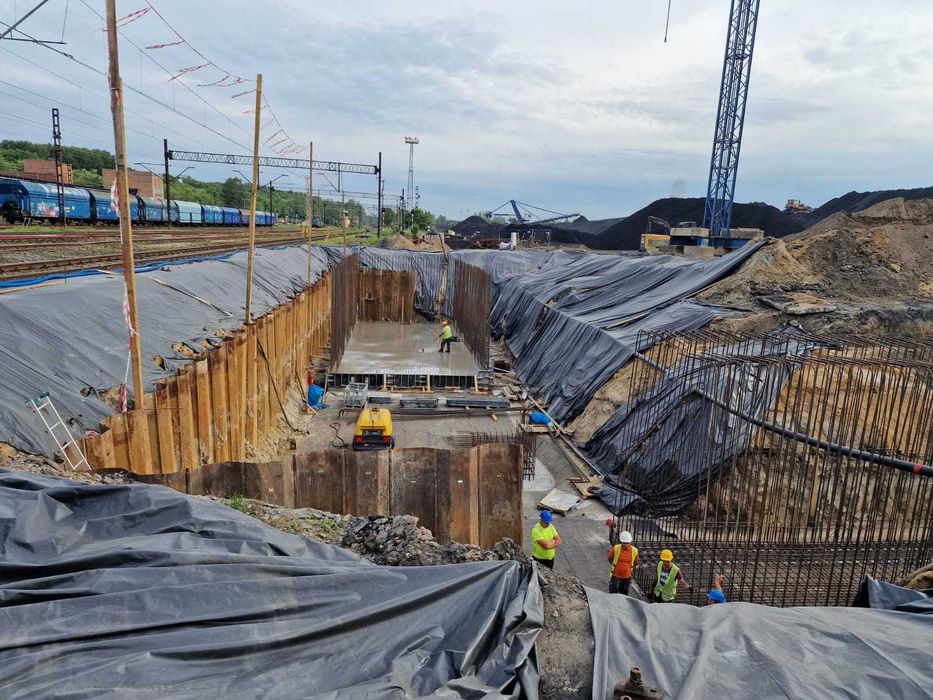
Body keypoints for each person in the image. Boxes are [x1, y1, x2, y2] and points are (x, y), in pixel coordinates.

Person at [608, 530, 639, 595]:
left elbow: (636, 562)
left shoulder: (634, 551)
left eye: (627, 543)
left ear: (630, 542)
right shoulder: (615, 548)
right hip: (615, 575)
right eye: (624, 543)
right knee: (613, 592)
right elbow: (610, 558)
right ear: (621, 542)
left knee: (624, 593)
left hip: (626, 576)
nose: (626, 545)